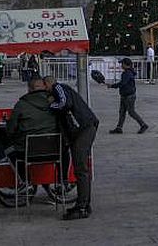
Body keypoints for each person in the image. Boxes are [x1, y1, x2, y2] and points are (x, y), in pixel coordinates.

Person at [44, 75, 98, 220]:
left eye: (45, 87)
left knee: (80, 169)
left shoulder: (58, 88)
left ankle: (82, 207)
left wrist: (50, 105)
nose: (45, 90)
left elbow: (64, 103)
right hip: (81, 130)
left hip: (83, 128)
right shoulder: (59, 89)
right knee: (81, 168)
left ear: (49, 83)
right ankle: (84, 203)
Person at [107, 58, 148, 135]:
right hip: (125, 95)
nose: (121, 65)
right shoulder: (128, 72)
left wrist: (112, 86)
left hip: (129, 96)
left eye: (122, 64)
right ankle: (119, 128)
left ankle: (143, 125)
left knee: (131, 112)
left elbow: (122, 83)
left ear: (126, 64)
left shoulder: (127, 73)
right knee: (122, 112)